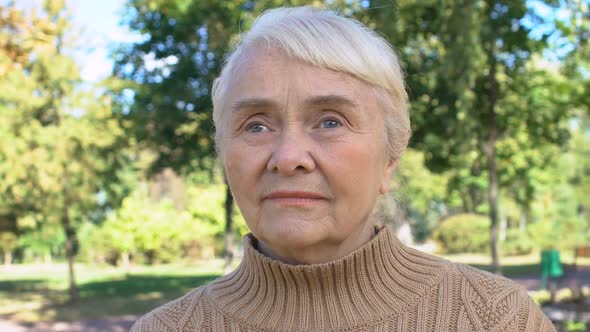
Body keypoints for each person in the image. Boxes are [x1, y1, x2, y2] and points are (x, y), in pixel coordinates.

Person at [130, 6, 555, 332]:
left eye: (330, 121)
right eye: (255, 125)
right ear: (225, 157)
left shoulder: (494, 319)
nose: (288, 156)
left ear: (391, 156)